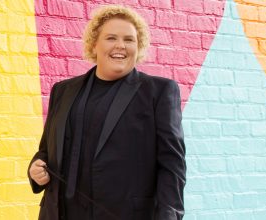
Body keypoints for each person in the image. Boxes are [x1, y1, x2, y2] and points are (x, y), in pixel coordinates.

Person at [28, 4, 186, 220]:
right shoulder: (62, 90)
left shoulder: (159, 92)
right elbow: (46, 150)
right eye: (111, 38)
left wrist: (169, 215)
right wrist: (36, 167)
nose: (120, 46)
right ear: (94, 45)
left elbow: (172, 164)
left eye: (129, 39)